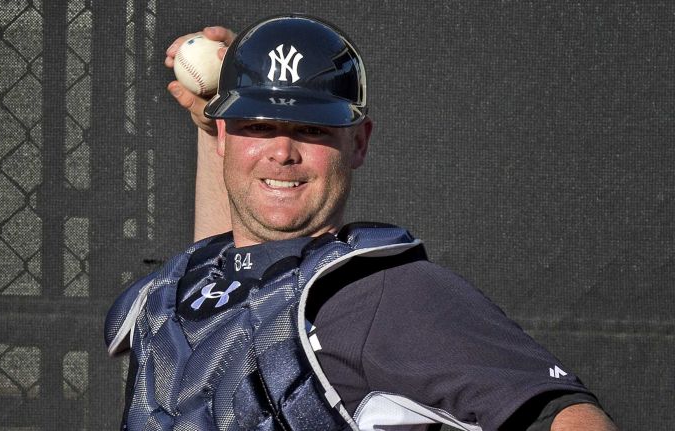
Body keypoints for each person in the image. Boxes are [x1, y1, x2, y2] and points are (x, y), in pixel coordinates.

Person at [105, 14, 617, 431]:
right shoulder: (196, 281)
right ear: (222, 137)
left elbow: (567, 416)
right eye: (258, 127)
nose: (282, 152)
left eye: (311, 128)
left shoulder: (385, 292)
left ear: (360, 141)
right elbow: (243, 296)